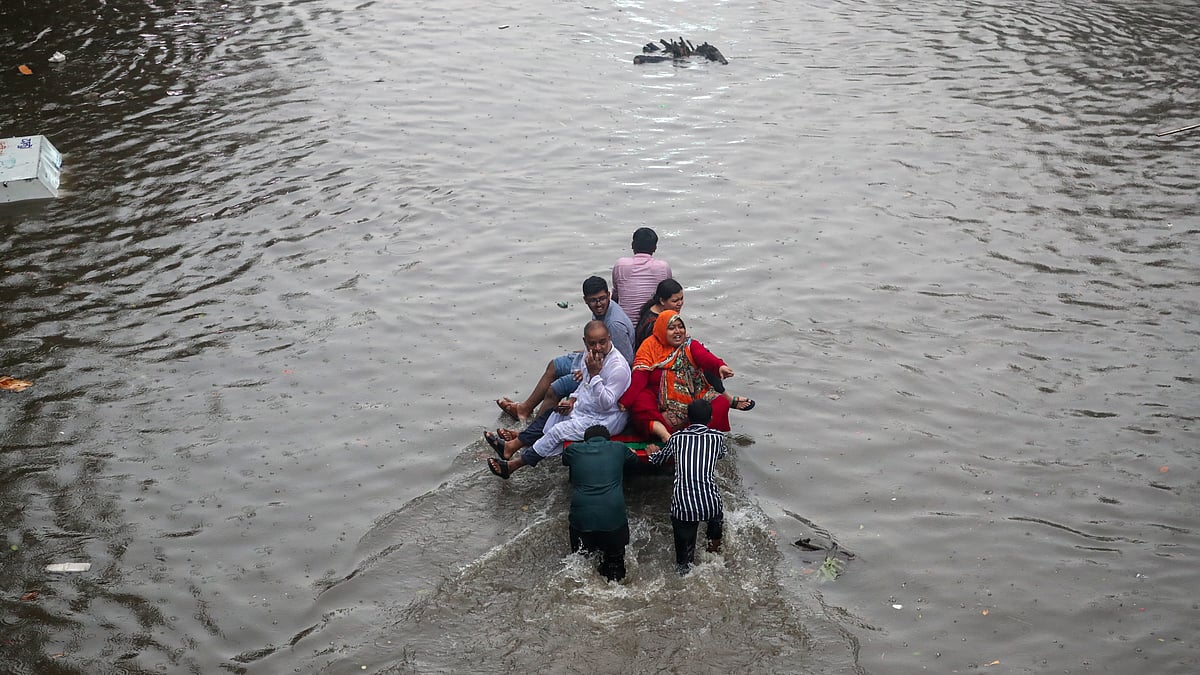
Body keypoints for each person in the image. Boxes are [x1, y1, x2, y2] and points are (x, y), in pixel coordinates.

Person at [486, 320, 631, 479]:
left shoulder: (618, 368)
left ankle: (513, 466)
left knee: (557, 431)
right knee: (552, 414)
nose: (597, 348)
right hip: (587, 407)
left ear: (609, 338)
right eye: (592, 343)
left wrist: (595, 375)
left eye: (602, 342)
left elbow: (607, 403)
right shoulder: (589, 356)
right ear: (585, 342)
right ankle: (510, 447)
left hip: (606, 418)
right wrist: (572, 401)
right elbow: (584, 385)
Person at [495, 277, 635, 422]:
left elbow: (626, 360)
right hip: (593, 357)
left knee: (555, 389)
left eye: (602, 299)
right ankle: (524, 409)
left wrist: (587, 371)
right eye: (593, 300)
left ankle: (533, 432)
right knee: (554, 365)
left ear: (608, 295)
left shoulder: (614, 324)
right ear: (585, 300)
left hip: (602, 369)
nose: (598, 304)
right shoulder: (602, 312)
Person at [618, 310, 754, 446]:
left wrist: (720, 367)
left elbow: (704, 357)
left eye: (680, 326)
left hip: (692, 393)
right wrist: (627, 400)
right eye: (671, 328)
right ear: (661, 330)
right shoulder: (649, 347)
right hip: (658, 398)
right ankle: (664, 434)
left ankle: (696, 437)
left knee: (721, 404)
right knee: (640, 403)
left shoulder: (689, 344)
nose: (678, 331)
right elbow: (640, 375)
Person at [648, 399, 728, 575]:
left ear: (687, 418)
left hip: (684, 507)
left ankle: (685, 571)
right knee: (714, 534)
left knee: (684, 564)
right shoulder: (718, 437)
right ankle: (713, 555)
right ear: (711, 418)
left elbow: (659, 461)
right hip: (711, 503)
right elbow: (721, 454)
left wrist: (652, 454)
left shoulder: (677, 438)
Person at [563, 425, 639, 581]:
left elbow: (565, 460)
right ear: (608, 439)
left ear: (586, 440)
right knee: (615, 565)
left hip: (581, 520)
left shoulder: (573, 450)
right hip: (613, 520)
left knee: (582, 563)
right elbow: (635, 461)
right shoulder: (618, 448)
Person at [611, 227, 672, 326]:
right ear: (655, 248)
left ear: (632, 245)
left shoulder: (620, 265)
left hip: (625, 326)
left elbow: (615, 297)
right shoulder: (663, 267)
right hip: (652, 327)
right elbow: (669, 298)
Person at [633, 278, 684, 350]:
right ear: (662, 301)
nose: (680, 303)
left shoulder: (652, 308)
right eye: (675, 301)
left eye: (681, 299)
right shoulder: (654, 324)